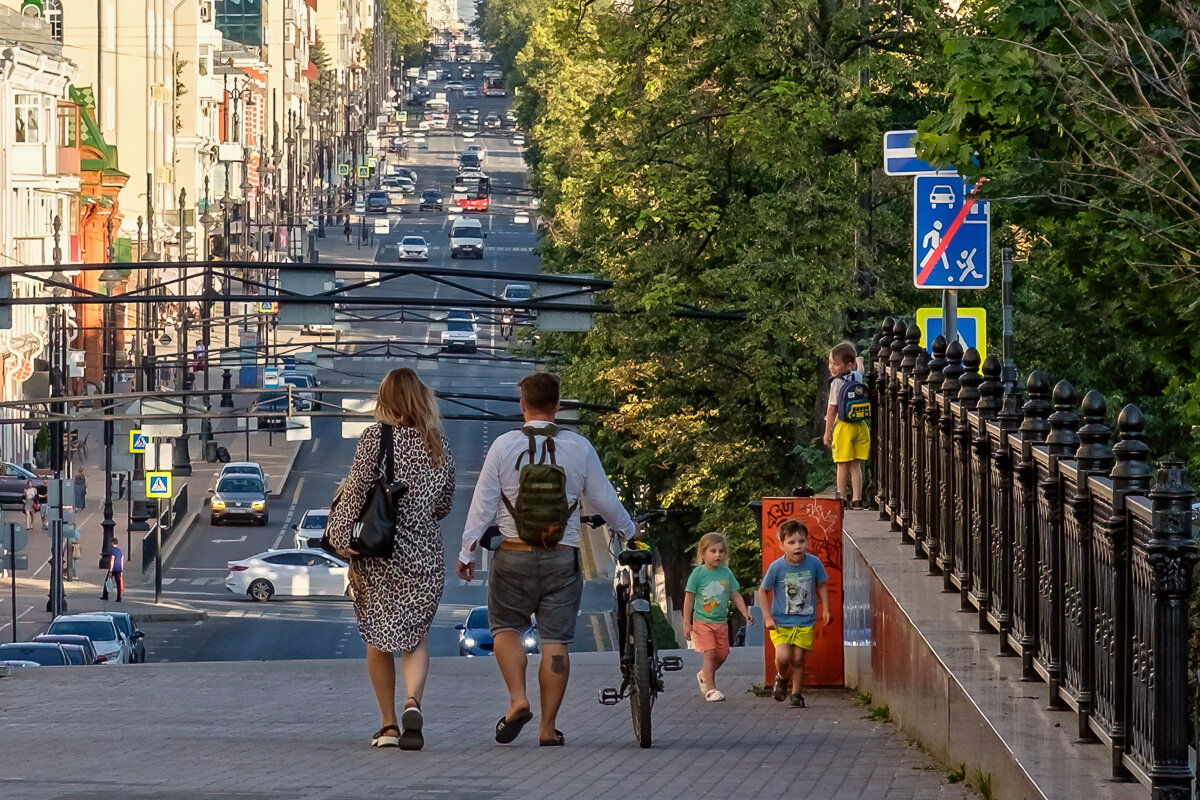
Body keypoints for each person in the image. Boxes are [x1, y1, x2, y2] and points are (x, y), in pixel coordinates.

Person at [457, 372, 638, 747]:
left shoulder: (504, 446)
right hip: (562, 557)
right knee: (556, 642)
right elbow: (603, 499)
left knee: (506, 629)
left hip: (513, 555)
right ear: (558, 404)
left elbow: (483, 505)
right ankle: (548, 728)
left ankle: (518, 700)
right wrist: (629, 531)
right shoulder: (579, 446)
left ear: (522, 404)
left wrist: (467, 551)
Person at [324, 368, 455, 751]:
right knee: (416, 637)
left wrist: (338, 534)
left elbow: (356, 489)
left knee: (379, 638)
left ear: (385, 400)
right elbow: (444, 504)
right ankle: (414, 702)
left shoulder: (374, 439)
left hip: (380, 553)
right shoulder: (438, 445)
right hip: (426, 555)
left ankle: (388, 725)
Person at [757, 520, 831, 708]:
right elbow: (763, 591)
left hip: (805, 620)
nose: (797, 546)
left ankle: (797, 694)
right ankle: (781, 678)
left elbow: (822, 584)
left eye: (801, 541)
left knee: (798, 658)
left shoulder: (813, 563)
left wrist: (827, 609)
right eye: (791, 542)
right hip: (780, 622)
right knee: (783, 657)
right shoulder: (777, 567)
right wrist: (767, 617)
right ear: (781, 545)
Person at [684, 532, 754, 702]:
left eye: (721, 551)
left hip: (721, 622)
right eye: (713, 551)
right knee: (710, 653)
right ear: (703, 553)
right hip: (702, 621)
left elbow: (735, 594)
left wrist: (744, 612)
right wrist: (687, 622)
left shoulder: (726, 573)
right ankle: (711, 689)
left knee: (722, 655)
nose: (718, 555)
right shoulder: (698, 573)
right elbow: (689, 598)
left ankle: (704, 675)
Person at [823, 340, 870, 509]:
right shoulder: (856, 376)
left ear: (847, 365)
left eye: (836, 364)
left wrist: (827, 433)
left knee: (842, 465)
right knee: (856, 465)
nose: (832, 367)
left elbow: (832, 410)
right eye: (830, 363)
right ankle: (857, 499)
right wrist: (860, 361)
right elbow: (861, 370)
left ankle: (841, 498)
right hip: (860, 426)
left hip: (843, 427)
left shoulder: (837, 383)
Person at [102, 537, 124, 602]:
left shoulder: (112, 550)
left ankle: (105, 596)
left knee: (107, 581)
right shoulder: (120, 550)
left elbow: (112, 560)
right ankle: (119, 597)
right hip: (119, 569)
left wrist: (110, 570)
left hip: (113, 568)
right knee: (118, 584)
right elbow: (122, 560)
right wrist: (122, 570)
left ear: (112, 543)